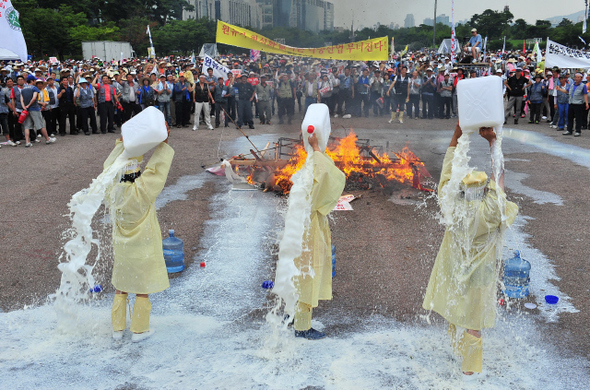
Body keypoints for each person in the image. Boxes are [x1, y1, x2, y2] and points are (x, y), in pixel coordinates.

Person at [423, 123, 518, 376]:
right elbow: (500, 177)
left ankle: (457, 350)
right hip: (481, 272)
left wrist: (456, 136)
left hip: (455, 265)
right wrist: (493, 143)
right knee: (474, 321)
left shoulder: (451, 204)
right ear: (484, 191)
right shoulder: (490, 210)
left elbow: (446, 174)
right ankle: (470, 371)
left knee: (457, 308)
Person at [105, 120, 174, 343]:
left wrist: (122, 145)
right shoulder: (141, 190)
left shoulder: (112, 190)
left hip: (122, 245)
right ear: (137, 173)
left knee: (122, 283)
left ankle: (117, 329)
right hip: (142, 243)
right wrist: (163, 144)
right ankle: (139, 330)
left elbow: (109, 166)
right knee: (142, 285)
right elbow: (157, 171)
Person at [293, 129, 345, 340]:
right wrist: (315, 148)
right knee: (307, 276)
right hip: (309, 230)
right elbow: (327, 174)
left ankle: (295, 318)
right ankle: (302, 327)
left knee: (299, 274)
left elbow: (320, 170)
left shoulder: (303, 173)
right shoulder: (313, 179)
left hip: (300, 227)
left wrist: (313, 150)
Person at [20, 75, 57, 147]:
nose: (35, 82)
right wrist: (29, 105)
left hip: (27, 110)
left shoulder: (23, 89)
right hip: (35, 108)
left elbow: (21, 99)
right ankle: (47, 139)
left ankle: (27, 142)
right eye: (34, 80)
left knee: (27, 126)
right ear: (32, 81)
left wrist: (24, 107)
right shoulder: (34, 88)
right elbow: (34, 98)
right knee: (41, 125)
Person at [565, 72, 589, 137]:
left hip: (579, 104)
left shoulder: (583, 86)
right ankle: (569, 130)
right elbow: (567, 91)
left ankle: (578, 131)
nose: (577, 78)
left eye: (578, 77)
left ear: (581, 78)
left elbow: (585, 94)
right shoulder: (572, 85)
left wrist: (586, 103)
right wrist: (559, 89)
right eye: (576, 77)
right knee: (570, 117)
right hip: (571, 103)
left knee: (578, 118)